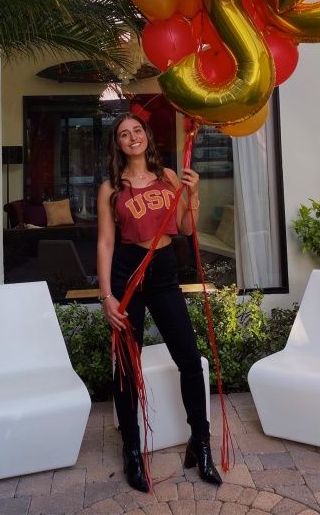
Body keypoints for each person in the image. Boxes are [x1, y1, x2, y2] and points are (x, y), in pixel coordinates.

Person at [97, 112, 222, 492]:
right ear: (117, 144)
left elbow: (184, 228)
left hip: (165, 272)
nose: (132, 137)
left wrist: (194, 194)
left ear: (147, 136)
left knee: (188, 358)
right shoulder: (111, 188)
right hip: (128, 273)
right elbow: (104, 243)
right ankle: (132, 450)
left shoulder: (169, 176)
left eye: (137, 131)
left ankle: (199, 443)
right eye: (124, 134)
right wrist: (107, 296)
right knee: (127, 367)